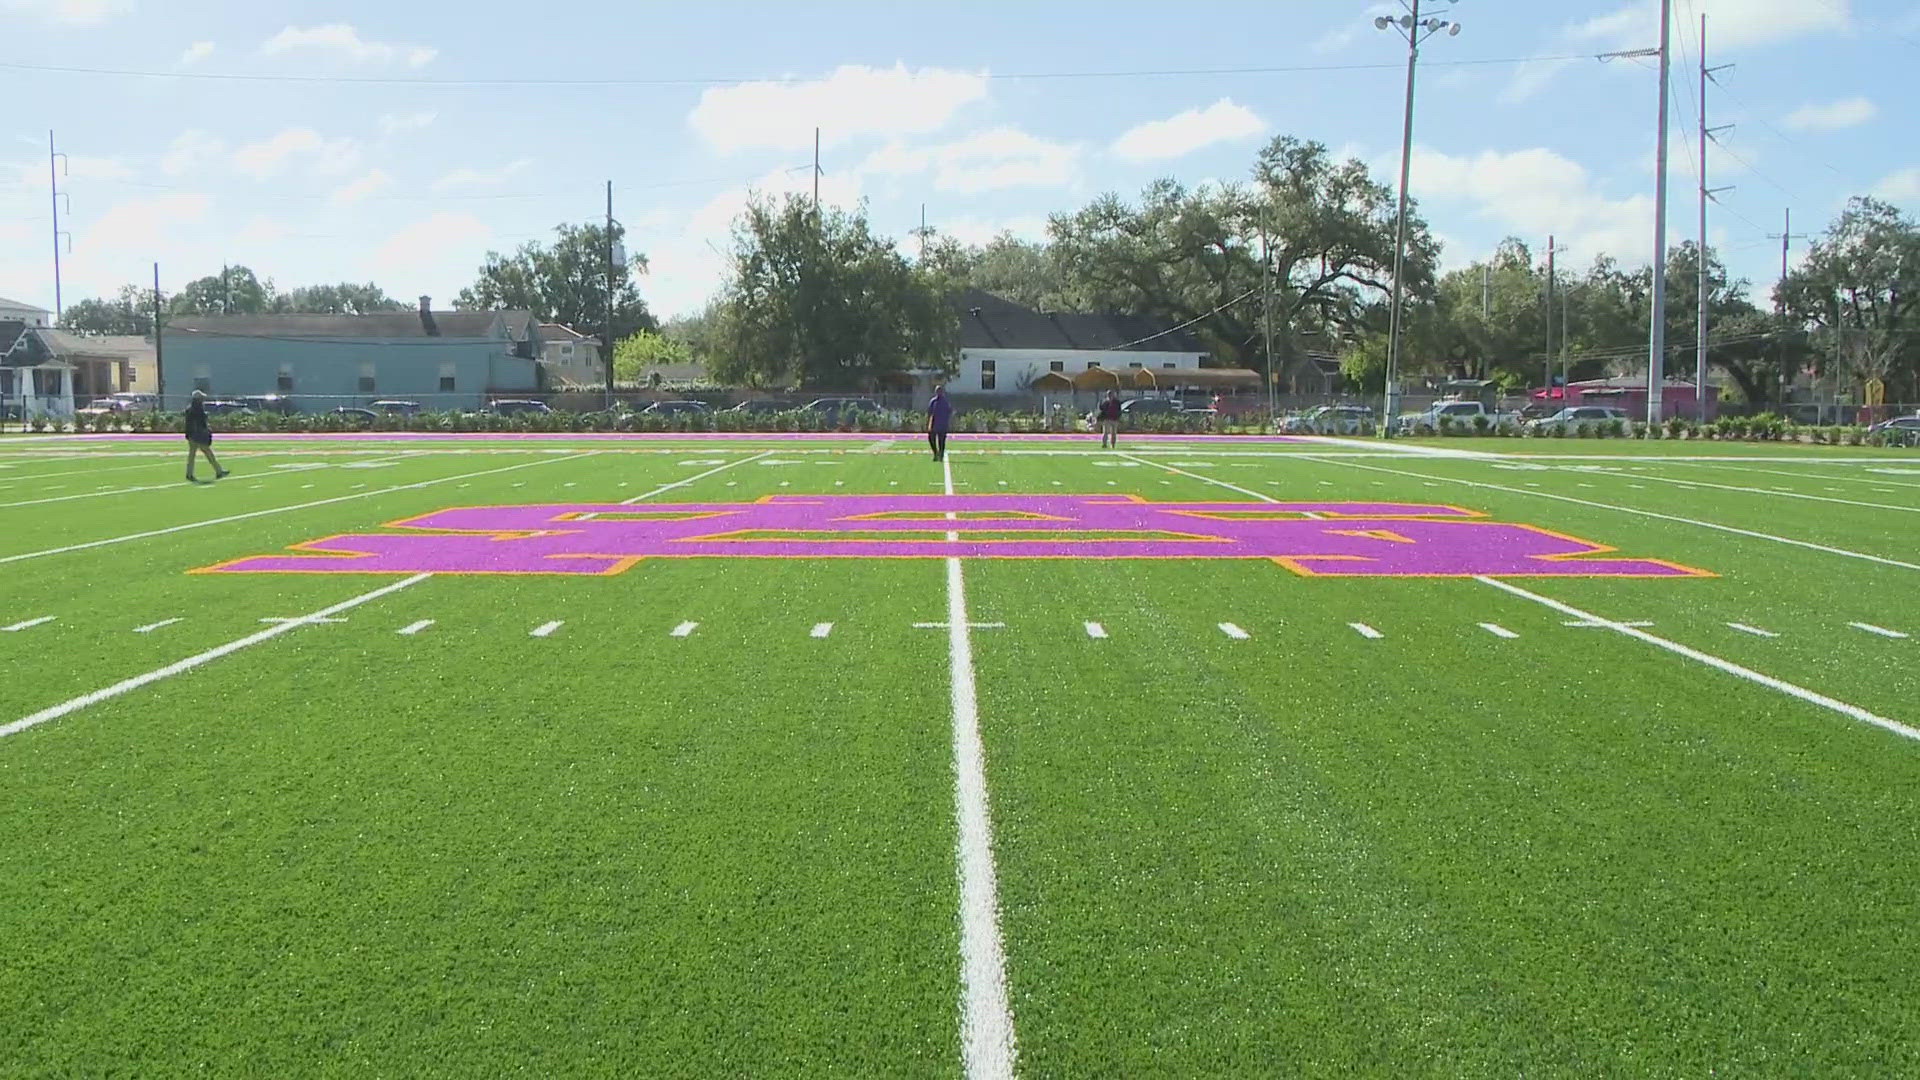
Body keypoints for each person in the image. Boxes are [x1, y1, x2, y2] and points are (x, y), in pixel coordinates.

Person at [183, 390, 229, 482]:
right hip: (198, 435)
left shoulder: (189, 409)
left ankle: (189, 473)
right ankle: (218, 471)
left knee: (192, 455)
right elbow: (201, 423)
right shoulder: (198, 409)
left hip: (191, 435)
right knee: (208, 453)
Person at [927, 385, 953, 461]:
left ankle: (941, 454)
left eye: (940, 391)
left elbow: (949, 412)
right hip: (934, 424)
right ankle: (935, 453)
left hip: (942, 425)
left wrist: (948, 422)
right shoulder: (933, 401)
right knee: (931, 439)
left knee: (941, 441)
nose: (938, 392)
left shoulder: (945, 402)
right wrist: (929, 424)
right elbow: (930, 413)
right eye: (937, 391)